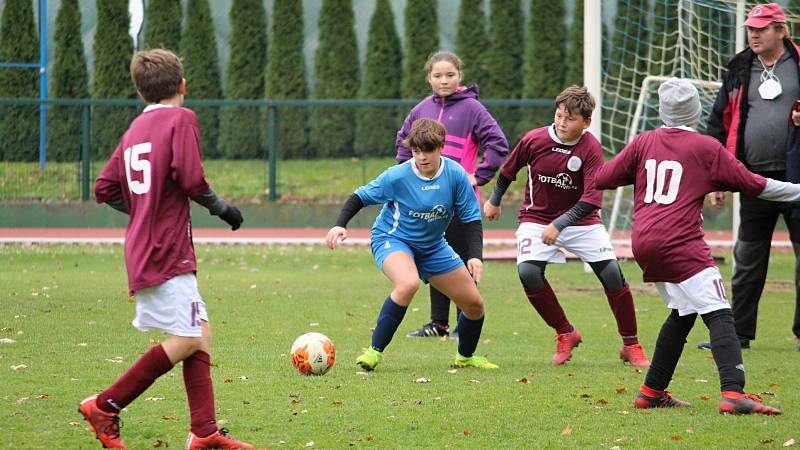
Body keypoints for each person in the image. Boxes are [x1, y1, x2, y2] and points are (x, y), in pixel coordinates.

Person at [79, 49, 254, 449]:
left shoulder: (134, 130)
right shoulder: (181, 118)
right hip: (165, 250)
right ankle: (105, 405)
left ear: (141, 93)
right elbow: (191, 178)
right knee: (189, 337)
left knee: (200, 331)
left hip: (147, 246)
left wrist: (143, 209)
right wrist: (222, 208)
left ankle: (204, 432)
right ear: (182, 85)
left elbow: (104, 188)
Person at [596, 77, 787, 415]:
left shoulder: (644, 142)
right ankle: (733, 392)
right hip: (679, 241)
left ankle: (651, 390)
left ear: (662, 110)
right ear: (696, 111)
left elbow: (603, 178)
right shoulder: (705, 147)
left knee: (684, 313)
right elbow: (754, 184)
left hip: (643, 240)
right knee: (720, 311)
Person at [483, 86, 650, 367]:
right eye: (559, 116)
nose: (561, 123)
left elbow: (592, 199)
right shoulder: (534, 139)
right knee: (528, 272)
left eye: (570, 119)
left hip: (581, 220)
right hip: (536, 218)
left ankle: (631, 344)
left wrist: (559, 224)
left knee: (611, 274)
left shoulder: (591, 148)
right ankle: (565, 332)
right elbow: (508, 171)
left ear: (586, 122)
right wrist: (495, 200)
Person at [327, 118, 498, 371]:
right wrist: (340, 224)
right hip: (393, 239)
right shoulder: (398, 176)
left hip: (433, 247)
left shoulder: (456, 175)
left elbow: (472, 220)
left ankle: (466, 357)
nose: (421, 157)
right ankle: (373, 352)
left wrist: (475, 256)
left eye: (427, 150)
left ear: (441, 147)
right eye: (416, 151)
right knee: (408, 283)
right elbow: (360, 196)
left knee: (474, 305)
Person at [702, 2, 800, 352]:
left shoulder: (798, 63)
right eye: (751, 28)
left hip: (797, 177)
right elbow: (718, 121)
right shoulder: (740, 66)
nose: (754, 34)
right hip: (752, 177)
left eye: (761, 28)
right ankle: (738, 333)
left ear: (781, 30)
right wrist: (717, 177)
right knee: (747, 259)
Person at [397, 51, 509, 339]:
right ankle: (438, 324)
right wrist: (408, 180)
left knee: (462, 258)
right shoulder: (421, 109)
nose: (444, 80)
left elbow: (498, 144)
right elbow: (402, 144)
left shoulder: (473, 109)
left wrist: (479, 175)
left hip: (459, 200)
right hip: (427, 200)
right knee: (433, 254)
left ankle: (464, 323)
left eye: (450, 75)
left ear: (460, 76)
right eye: (437, 75)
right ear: (428, 78)